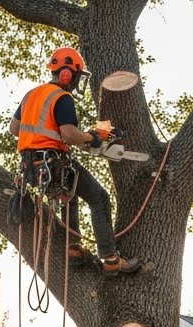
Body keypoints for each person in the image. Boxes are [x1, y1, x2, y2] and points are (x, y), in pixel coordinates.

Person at [10, 46, 140, 277]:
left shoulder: (31, 95)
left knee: (69, 195)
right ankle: (111, 259)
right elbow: (69, 134)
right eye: (76, 76)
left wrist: (49, 136)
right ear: (67, 74)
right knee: (99, 198)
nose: (76, 82)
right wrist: (91, 137)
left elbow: (14, 129)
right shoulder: (62, 97)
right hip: (52, 163)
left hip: (30, 167)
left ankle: (73, 249)